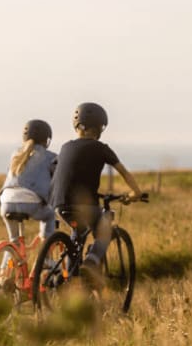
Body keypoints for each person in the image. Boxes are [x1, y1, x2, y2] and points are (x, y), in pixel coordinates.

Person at [50, 102, 142, 285]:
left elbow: (55, 168)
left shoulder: (65, 147)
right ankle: (91, 262)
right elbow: (123, 171)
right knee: (104, 230)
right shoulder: (101, 148)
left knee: (78, 232)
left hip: (59, 205)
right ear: (100, 128)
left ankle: (68, 276)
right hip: (85, 206)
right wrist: (135, 192)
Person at [0, 119, 57, 242]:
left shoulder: (16, 154)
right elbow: (57, 178)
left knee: (14, 243)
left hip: (5, 203)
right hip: (30, 203)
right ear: (47, 140)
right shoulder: (50, 157)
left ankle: (10, 258)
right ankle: (46, 255)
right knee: (50, 215)